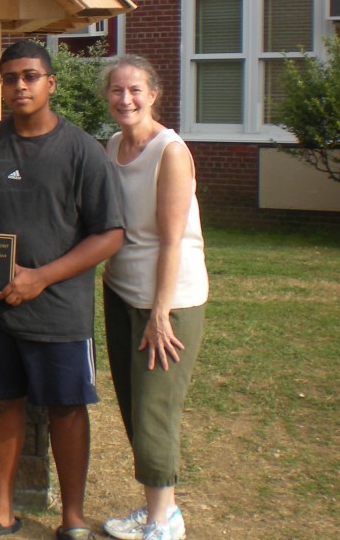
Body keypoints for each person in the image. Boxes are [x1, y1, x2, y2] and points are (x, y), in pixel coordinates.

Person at [0, 40, 125, 540]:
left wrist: (41, 277)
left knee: (65, 407)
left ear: (50, 83)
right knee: (1, 401)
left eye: (31, 76)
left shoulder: (83, 151)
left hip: (59, 309)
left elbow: (110, 233)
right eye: (11, 77)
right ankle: (0, 511)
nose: (20, 85)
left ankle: (73, 519)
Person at [99, 56, 208, 540]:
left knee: (154, 410)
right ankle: (158, 508)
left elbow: (172, 240)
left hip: (167, 301)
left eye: (136, 90)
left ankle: (164, 523)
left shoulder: (171, 152)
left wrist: (161, 313)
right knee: (131, 406)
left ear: (154, 93)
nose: (126, 99)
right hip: (120, 290)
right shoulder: (113, 145)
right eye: (117, 91)